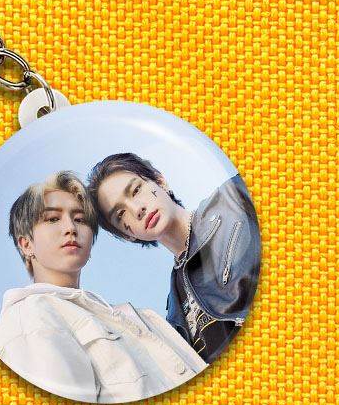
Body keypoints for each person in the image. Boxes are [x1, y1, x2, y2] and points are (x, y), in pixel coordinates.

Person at [0, 170, 206, 403]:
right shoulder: (29, 316)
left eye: (80, 219)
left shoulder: (137, 317)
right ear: (26, 244)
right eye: (52, 218)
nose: (70, 228)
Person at [87, 154, 260, 365]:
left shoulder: (234, 198)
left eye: (136, 190)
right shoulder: (174, 313)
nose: (137, 209)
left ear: (160, 181)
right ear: (127, 234)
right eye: (120, 214)